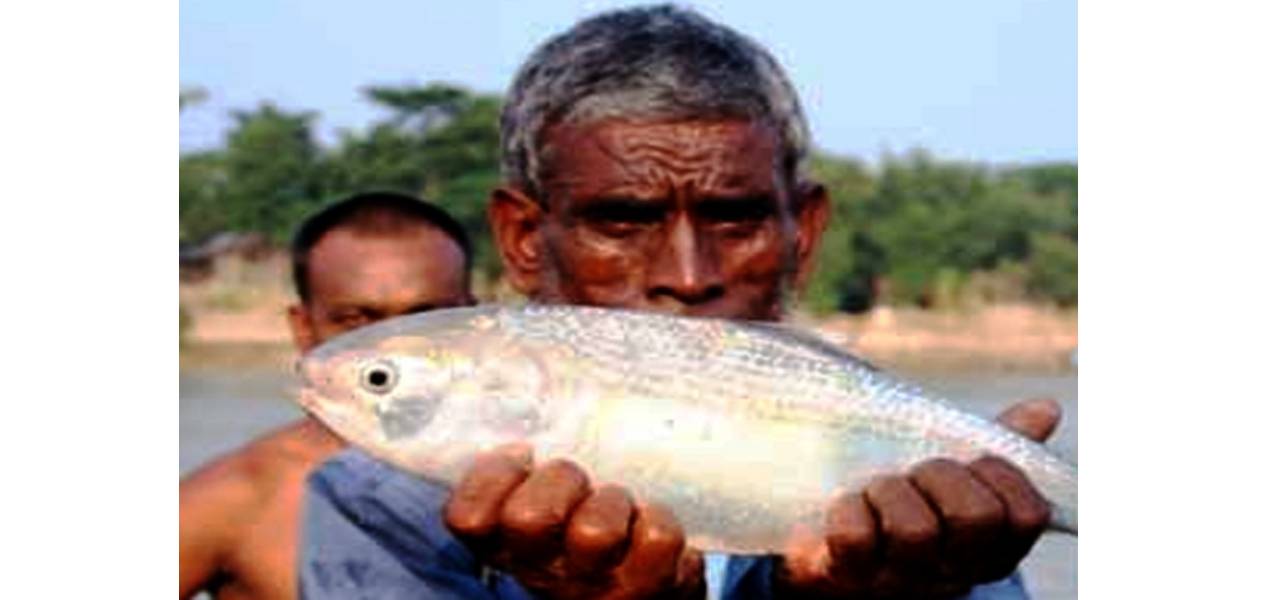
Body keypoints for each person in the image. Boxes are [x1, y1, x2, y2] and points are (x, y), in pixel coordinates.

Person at [300, 6, 1065, 599]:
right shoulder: (376, 501)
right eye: (622, 221)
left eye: (736, 218)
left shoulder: (932, 495)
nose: (688, 274)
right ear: (524, 238)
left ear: (805, 231)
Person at [179, 191, 477, 599]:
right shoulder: (237, 497)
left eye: (425, 317)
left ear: (475, 321)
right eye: (356, 320)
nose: (392, 349)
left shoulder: (548, 459)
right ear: (304, 329)